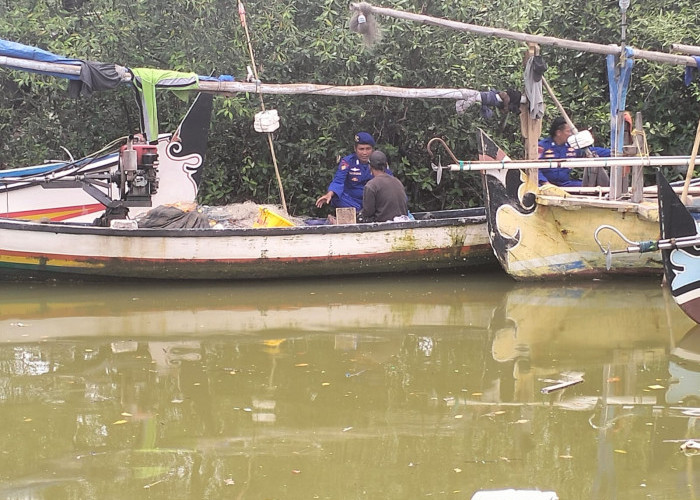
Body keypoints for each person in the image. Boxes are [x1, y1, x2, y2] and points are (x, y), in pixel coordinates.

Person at [538, 116, 610, 187]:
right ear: (558, 132)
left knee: (588, 187)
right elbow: (534, 168)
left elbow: (590, 151)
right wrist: (545, 182)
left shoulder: (572, 145)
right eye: (568, 131)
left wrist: (612, 153)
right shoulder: (542, 146)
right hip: (544, 185)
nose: (570, 134)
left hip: (565, 184)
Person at [316, 132, 380, 210]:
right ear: (355, 149)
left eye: (368, 149)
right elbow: (338, 181)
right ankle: (359, 213)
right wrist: (329, 194)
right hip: (351, 201)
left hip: (372, 200)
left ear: (372, 149)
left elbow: (388, 180)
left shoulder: (379, 161)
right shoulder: (347, 162)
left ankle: (363, 213)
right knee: (336, 197)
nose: (364, 153)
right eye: (361, 149)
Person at [359, 150, 408, 223]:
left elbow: (368, 213)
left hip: (383, 225)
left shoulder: (371, 186)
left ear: (370, 166)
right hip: (403, 223)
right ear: (386, 165)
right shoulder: (397, 181)